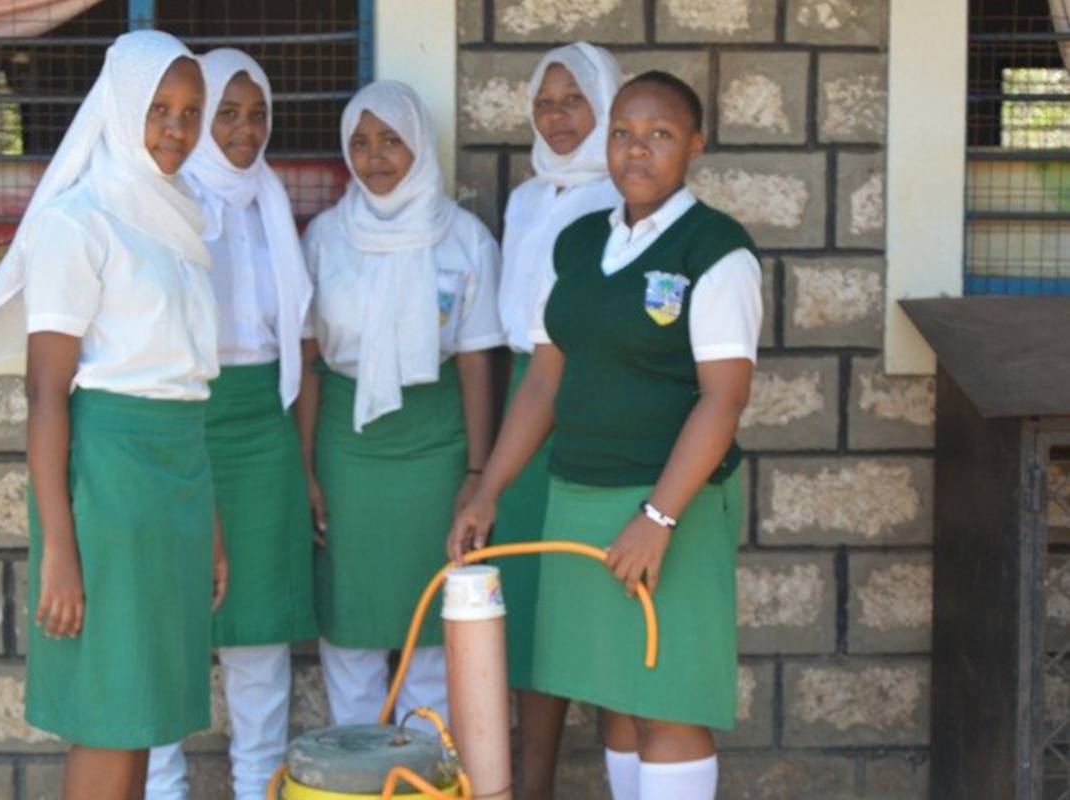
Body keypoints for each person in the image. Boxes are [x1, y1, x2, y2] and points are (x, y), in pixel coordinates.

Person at [449, 71, 761, 800]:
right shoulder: (580, 242)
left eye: (658, 134)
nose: (636, 150)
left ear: (695, 145)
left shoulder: (715, 248)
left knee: (668, 698)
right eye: (622, 133)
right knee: (614, 694)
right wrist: (488, 489)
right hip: (577, 496)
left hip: (669, 507)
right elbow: (542, 383)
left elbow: (724, 400)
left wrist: (657, 518)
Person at [0, 30, 227, 800]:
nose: (176, 130)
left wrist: (207, 522)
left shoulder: (181, 219)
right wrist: (60, 551)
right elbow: (46, 392)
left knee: (143, 715)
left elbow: (182, 384)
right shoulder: (80, 222)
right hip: (109, 484)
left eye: (190, 112)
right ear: (117, 107)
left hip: (176, 480)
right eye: (158, 110)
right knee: (109, 715)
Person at [300, 80, 503, 730]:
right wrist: (305, 466)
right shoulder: (326, 238)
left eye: (391, 140)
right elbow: (308, 360)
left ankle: (425, 769)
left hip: (436, 446)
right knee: (351, 625)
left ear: (420, 144)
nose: (375, 157)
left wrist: (476, 473)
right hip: (346, 444)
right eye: (360, 142)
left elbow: (476, 360)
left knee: (435, 622)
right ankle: (356, 770)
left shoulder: (464, 238)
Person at [144, 49, 315, 800]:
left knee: (259, 633)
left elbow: (298, 341)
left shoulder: (270, 203)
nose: (245, 132)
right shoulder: (167, 203)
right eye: (227, 114)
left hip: (264, 427)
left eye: (257, 114)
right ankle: (163, 788)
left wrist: (303, 461)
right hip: (183, 422)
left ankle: (259, 788)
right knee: (169, 630)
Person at [493, 41, 623, 800]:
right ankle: (529, 786)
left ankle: (626, 782)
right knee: (530, 611)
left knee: (595, 608)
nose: (558, 115)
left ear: (605, 105)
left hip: (587, 406)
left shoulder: (621, 196)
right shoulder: (526, 197)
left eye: (575, 99)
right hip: (524, 400)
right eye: (545, 100)